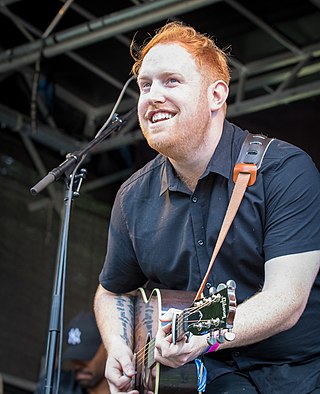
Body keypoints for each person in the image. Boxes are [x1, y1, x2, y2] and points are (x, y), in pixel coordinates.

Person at [93, 21, 320, 394]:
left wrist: (207, 336)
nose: (152, 96)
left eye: (171, 81)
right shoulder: (133, 198)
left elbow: (287, 299)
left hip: (298, 375)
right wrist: (119, 346)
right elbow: (112, 290)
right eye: (145, 85)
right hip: (204, 381)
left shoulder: (283, 171)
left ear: (216, 96)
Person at [35, 311, 110, 394]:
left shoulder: (125, 389)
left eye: (85, 356)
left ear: (107, 348)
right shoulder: (56, 385)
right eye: (74, 357)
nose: (77, 365)